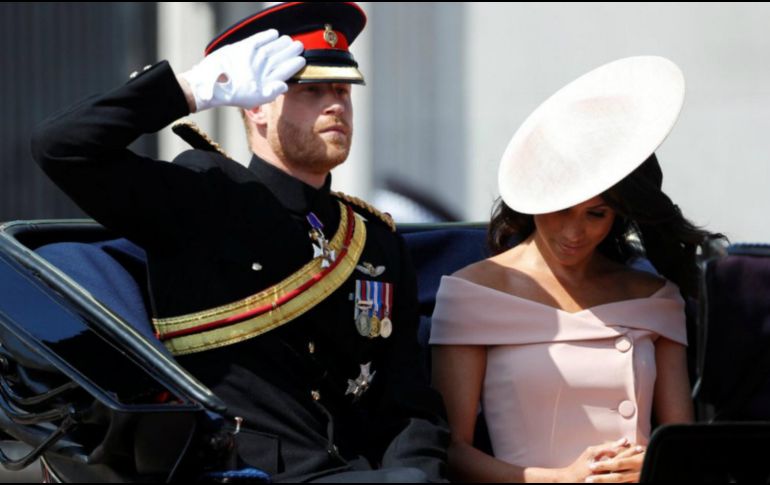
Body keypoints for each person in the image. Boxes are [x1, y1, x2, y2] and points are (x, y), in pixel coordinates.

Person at [31, 2, 448, 482]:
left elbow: (409, 404)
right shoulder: (204, 198)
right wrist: (188, 90)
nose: (335, 104)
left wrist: (418, 473)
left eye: (342, 90)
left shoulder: (372, 240)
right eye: (311, 90)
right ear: (256, 105)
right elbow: (61, 148)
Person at [430, 56, 718, 483]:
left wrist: (653, 467)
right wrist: (562, 478)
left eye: (596, 214)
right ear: (534, 198)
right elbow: (452, 452)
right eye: (561, 209)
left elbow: (682, 443)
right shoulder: (472, 293)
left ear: (617, 217)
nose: (574, 232)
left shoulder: (655, 298)